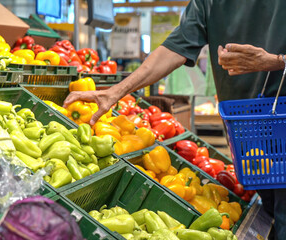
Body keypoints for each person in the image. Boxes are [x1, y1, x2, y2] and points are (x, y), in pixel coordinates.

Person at [64, 1, 286, 239]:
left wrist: (277, 61)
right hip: (248, 139)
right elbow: (174, 48)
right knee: (273, 209)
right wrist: (116, 91)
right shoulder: (208, 3)